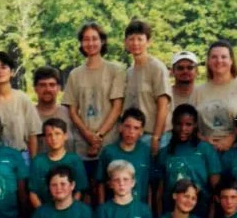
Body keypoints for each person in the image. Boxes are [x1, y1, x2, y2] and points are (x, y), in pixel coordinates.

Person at [63, 22, 126, 177]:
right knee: (87, 188)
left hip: (110, 141)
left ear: (102, 41)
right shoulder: (75, 74)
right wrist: (88, 136)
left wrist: (98, 137)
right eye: (86, 39)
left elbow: (117, 106)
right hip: (83, 142)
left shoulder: (115, 70)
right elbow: (72, 109)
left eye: (94, 38)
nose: (90, 43)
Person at [191, 40, 237, 153]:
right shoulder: (198, 90)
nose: (219, 61)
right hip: (206, 150)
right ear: (208, 61)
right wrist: (204, 140)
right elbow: (191, 124)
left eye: (224, 57)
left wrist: (232, 137)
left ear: (231, 61)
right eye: (214, 57)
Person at [154, 104, 222, 216]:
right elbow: (159, 193)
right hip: (171, 215)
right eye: (178, 124)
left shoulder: (206, 150)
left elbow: (216, 189)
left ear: (195, 125)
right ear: (173, 124)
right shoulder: (165, 153)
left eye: (188, 124)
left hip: (200, 214)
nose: (183, 129)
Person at [0, 50, 42, 158]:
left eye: (3, 67)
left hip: (20, 156)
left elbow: (32, 135)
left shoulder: (22, 99)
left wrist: (33, 163)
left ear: (12, 72)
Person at [122, 19, 172, 152]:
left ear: (148, 42)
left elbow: (163, 106)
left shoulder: (157, 68)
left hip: (156, 136)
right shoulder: (129, 72)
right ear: (126, 42)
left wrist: (156, 137)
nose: (135, 43)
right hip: (135, 136)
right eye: (131, 39)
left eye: (140, 39)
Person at [95, 108, 152, 206]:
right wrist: (102, 207)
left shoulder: (146, 152)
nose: (131, 132)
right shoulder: (109, 152)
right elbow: (101, 183)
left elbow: (149, 185)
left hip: (138, 209)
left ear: (141, 131)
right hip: (114, 209)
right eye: (127, 126)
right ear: (120, 127)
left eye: (136, 128)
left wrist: (149, 210)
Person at [30, 117, 90, 207]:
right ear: (45, 138)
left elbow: (79, 190)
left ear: (65, 136)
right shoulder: (38, 162)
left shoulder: (74, 160)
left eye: (57, 134)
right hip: (45, 211)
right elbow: (33, 193)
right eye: (49, 135)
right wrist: (43, 213)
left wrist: (69, 209)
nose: (53, 138)